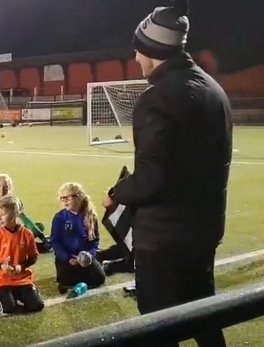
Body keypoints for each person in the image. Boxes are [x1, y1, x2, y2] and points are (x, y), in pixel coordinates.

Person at [103, 1, 232, 345]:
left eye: (138, 49)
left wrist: (116, 194)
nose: (135, 57)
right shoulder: (214, 90)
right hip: (204, 231)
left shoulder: (156, 98)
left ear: (150, 50)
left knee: (158, 327)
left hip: (164, 241)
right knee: (205, 317)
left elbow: (152, 178)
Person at [0, 195, 44, 314]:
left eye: (3, 214)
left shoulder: (27, 234)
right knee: (8, 309)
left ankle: (23, 293)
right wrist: (2, 266)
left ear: (15, 214)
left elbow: (33, 257)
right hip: (4, 280)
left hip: (22, 278)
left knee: (37, 306)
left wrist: (20, 267)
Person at [51, 182, 105, 293]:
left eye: (67, 197)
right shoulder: (59, 217)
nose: (64, 201)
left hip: (84, 258)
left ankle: (79, 279)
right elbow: (55, 242)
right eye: (62, 198)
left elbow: (95, 242)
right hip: (67, 258)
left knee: (100, 278)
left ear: (79, 197)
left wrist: (89, 255)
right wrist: (68, 258)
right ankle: (79, 279)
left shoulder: (90, 217)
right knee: (63, 279)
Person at [0, 174, 46, 242]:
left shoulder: (14, 201)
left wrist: (42, 236)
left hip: (8, 226)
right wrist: (4, 231)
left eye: (5, 187)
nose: (2, 191)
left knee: (39, 226)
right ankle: (19, 241)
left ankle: (13, 241)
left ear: (10, 188)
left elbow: (26, 220)